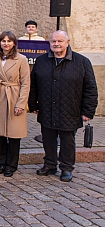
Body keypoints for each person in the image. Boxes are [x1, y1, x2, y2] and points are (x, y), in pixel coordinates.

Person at [28, 30, 98, 182]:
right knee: (48, 139)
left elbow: (90, 88)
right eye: (53, 41)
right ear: (49, 43)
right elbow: (33, 85)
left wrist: (88, 111)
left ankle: (66, 168)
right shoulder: (41, 61)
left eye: (60, 41)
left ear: (67, 42)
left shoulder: (82, 62)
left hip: (70, 109)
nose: (56, 44)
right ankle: (50, 165)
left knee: (67, 141)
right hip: (47, 108)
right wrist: (33, 104)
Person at [0, 31, 30, 177]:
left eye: (9, 41)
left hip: (14, 96)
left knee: (13, 134)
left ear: (14, 43)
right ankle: (0, 163)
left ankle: (11, 165)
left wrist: (21, 103)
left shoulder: (21, 59)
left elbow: (25, 83)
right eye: (3, 41)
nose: (6, 43)